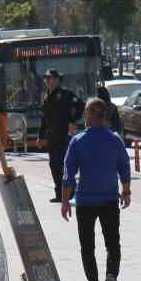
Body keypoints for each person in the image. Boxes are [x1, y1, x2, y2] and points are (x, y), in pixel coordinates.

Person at [61, 97, 132, 281]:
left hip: (85, 201)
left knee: (87, 244)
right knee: (112, 242)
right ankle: (111, 275)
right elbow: (125, 169)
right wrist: (126, 192)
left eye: (85, 112)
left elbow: (68, 175)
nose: (84, 116)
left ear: (92, 116)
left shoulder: (78, 141)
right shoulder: (114, 139)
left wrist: (65, 202)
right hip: (110, 199)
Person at [41, 69, 83, 203]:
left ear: (57, 80)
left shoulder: (65, 94)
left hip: (63, 135)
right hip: (52, 136)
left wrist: (72, 120)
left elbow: (81, 106)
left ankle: (70, 191)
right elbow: (45, 118)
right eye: (46, 78)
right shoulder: (47, 96)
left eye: (50, 78)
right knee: (53, 165)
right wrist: (40, 136)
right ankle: (60, 193)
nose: (47, 81)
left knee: (62, 164)